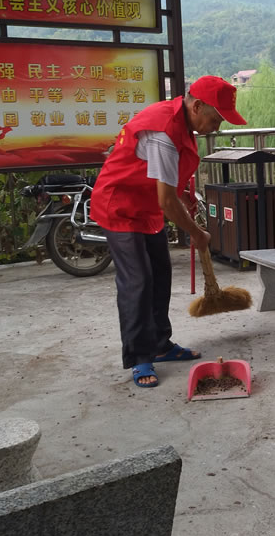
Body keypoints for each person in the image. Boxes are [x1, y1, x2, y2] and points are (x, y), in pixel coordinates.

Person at [90, 76, 247, 388]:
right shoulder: (163, 132)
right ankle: (139, 356)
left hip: (144, 205)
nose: (217, 128)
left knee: (160, 273)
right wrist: (196, 233)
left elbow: (166, 185)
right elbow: (166, 200)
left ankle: (160, 345)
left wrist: (184, 196)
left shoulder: (181, 123)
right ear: (197, 106)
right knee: (138, 280)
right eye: (215, 120)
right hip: (119, 205)